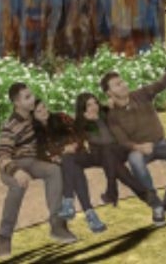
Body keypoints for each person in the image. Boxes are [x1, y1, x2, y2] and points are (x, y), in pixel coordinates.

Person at [101, 47, 166, 227]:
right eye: (117, 84)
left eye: (122, 81)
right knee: (135, 161)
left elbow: (164, 82)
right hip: (140, 150)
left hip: (161, 143)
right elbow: (122, 140)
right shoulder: (112, 115)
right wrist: (138, 148)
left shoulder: (141, 95)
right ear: (109, 93)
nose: (124, 85)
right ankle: (155, 204)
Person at [0, 83, 77, 259]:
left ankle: (57, 225)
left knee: (54, 171)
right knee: (18, 187)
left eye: (31, 95)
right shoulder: (10, 125)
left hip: (32, 162)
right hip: (12, 166)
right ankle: (4, 236)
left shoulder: (33, 118)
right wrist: (16, 171)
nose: (32, 98)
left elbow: (50, 134)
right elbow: (2, 155)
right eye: (27, 97)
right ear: (17, 103)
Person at [31, 100, 107, 233]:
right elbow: (40, 152)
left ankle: (68, 201)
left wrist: (73, 145)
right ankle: (90, 213)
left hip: (80, 154)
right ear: (33, 116)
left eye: (44, 107)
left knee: (69, 161)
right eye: (39, 111)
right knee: (71, 166)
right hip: (65, 161)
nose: (44, 111)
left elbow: (79, 132)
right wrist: (61, 150)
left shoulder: (61, 117)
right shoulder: (34, 132)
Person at [73, 93, 149, 208]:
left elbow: (111, 139)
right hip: (101, 155)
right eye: (89, 105)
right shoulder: (81, 123)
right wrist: (91, 122)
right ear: (83, 108)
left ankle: (112, 190)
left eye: (95, 103)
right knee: (115, 164)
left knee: (108, 151)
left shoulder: (106, 113)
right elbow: (100, 141)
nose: (94, 107)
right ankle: (147, 196)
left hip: (119, 150)